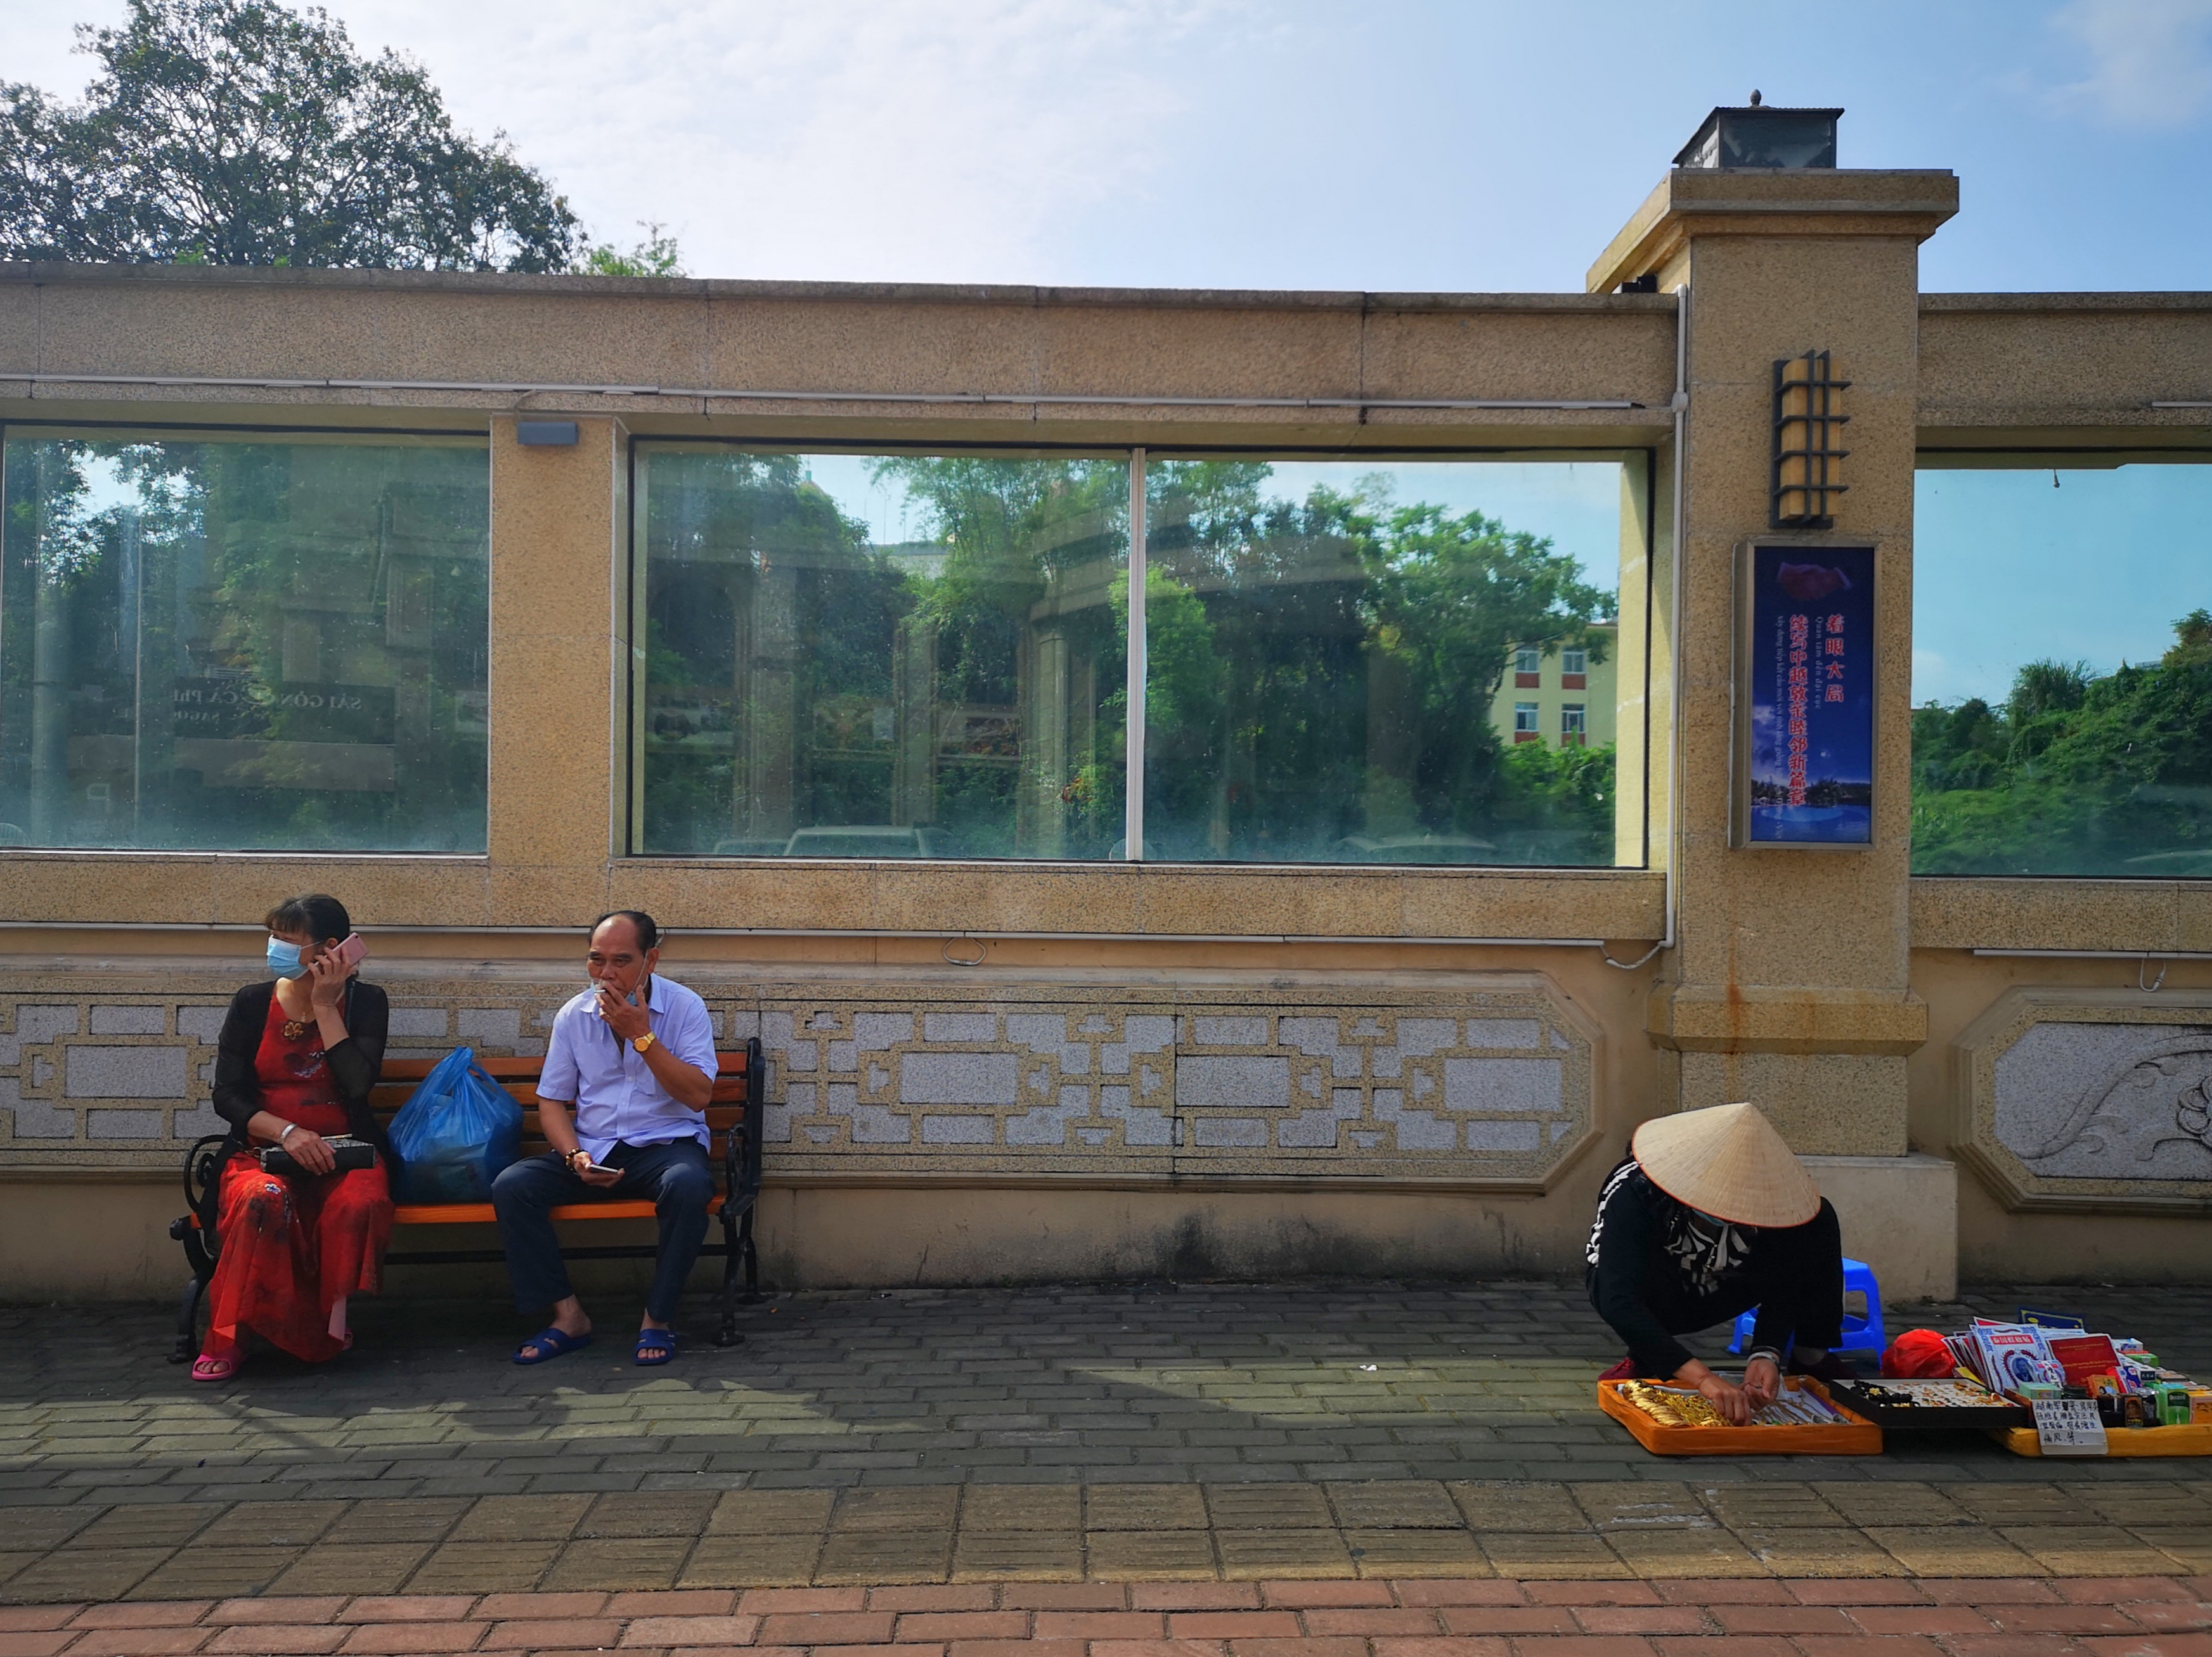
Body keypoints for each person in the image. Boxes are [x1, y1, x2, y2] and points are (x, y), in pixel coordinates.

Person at [493, 910, 718, 1367]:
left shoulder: (685, 1007)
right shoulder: (574, 1015)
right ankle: (568, 1316)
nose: (606, 974)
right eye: (597, 960)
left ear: (650, 960)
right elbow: (551, 1102)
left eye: (621, 961)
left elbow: (698, 1095)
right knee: (513, 1186)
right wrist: (575, 1155)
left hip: (665, 1147)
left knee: (689, 1185)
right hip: (594, 1148)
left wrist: (641, 1035)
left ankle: (657, 1318)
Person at [195, 894, 392, 1383]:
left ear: (329, 949)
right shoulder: (251, 1002)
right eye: (274, 937)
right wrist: (287, 1133)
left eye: (287, 939)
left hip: (345, 1155)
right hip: (262, 1152)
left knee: (358, 1203)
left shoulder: (367, 1002)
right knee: (262, 1199)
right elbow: (227, 1095)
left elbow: (358, 1085)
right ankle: (230, 1336)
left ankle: (328, 1324)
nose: (275, 947)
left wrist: (325, 1005)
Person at [1584, 1100, 1852, 1425]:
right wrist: (1703, 1379)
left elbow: (1785, 1280)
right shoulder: (1636, 1190)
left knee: (1817, 1219)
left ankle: (1811, 1358)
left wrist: (1767, 1352)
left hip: (1728, 1284)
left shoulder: (1779, 1203)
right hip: (1664, 1291)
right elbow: (1617, 1298)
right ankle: (1648, 1354)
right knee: (1616, 1286)